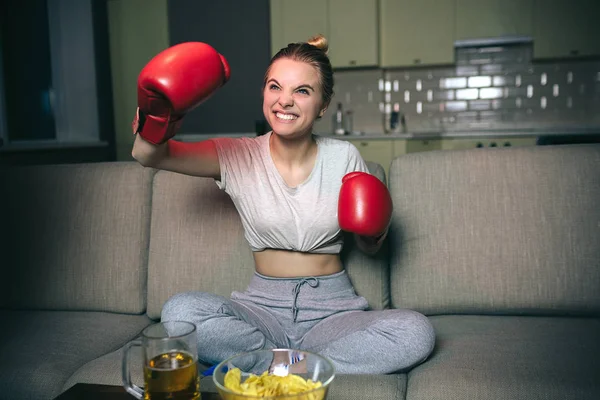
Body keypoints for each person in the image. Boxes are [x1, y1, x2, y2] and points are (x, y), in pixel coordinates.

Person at [131, 35, 435, 374]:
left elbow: (370, 250)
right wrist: (156, 116)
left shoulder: (344, 156)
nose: (284, 101)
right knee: (180, 311)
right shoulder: (238, 155)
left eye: (302, 91)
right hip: (261, 312)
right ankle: (304, 367)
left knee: (416, 332)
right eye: (275, 87)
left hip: (333, 312)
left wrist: (374, 231)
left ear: (322, 104)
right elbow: (147, 154)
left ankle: (269, 365)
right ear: (264, 93)